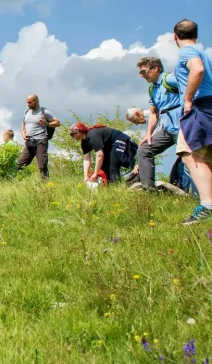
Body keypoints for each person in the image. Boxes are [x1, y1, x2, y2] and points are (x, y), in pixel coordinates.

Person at [172, 19, 212, 224]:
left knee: (189, 153)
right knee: (207, 158)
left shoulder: (187, 53)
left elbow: (196, 70)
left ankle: (207, 206)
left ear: (175, 36)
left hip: (199, 107)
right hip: (210, 105)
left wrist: (188, 99)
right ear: (196, 35)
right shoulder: (206, 53)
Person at [133, 57, 183, 192]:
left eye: (144, 71)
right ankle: (149, 190)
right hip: (167, 128)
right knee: (144, 149)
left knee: (190, 159)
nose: (141, 75)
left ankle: (200, 198)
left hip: (183, 127)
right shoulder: (152, 89)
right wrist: (149, 133)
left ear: (156, 68)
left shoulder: (169, 79)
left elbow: (192, 85)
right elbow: (154, 112)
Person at [69, 122, 137, 186]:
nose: (72, 136)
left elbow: (100, 155)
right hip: (109, 145)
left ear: (78, 133)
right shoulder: (84, 142)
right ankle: (108, 187)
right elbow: (86, 159)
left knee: (112, 165)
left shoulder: (92, 136)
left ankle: (115, 187)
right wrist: (86, 176)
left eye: (72, 134)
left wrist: (95, 174)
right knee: (103, 167)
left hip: (121, 140)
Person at [16, 94, 60, 178]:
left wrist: (46, 124)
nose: (28, 104)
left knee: (42, 165)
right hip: (29, 141)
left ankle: (45, 186)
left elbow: (57, 123)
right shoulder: (27, 111)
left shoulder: (44, 112)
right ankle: (16, 183)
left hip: (41, 141)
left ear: (36, 101)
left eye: (30, 102)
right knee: (20, 164)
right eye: (27, 103)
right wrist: (23, 133)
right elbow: (23, 124)